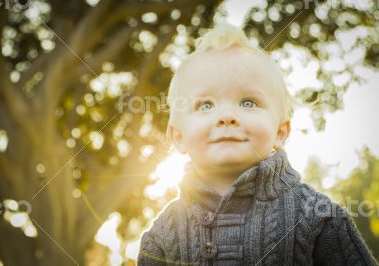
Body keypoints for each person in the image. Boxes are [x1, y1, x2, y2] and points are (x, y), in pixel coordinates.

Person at [137, 24, 378, 265]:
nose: (227, 116)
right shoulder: (162, 235)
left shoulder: (318, 216)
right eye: (206, 105)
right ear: (178, 137)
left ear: (280, 132)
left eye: (249, 103)